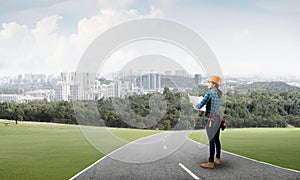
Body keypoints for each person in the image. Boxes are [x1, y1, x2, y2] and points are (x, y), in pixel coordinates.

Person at [195, 75, 223, 169]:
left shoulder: (209, 93)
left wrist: (194, 103)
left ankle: (210, 162)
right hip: (218, 119)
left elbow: (199, 106)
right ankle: (217, 158)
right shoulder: (220, 93)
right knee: (217, 139)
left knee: (211, 140)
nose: (208, 83)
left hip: (210, 120)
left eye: (210, 82)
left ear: (214, 84)